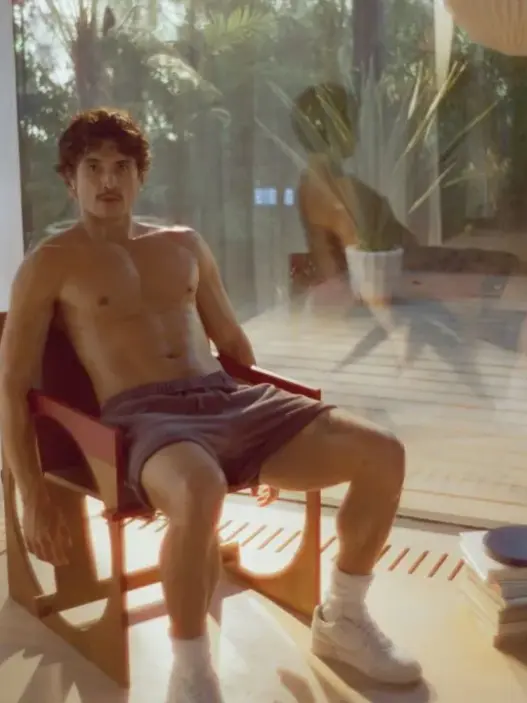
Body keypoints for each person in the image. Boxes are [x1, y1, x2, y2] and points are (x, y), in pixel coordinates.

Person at [0, 109, 422, 701]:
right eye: (92, 167)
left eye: (122, 166)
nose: (108, 180)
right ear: (71, 180)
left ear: (141, 176)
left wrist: (261, 439)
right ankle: (192, 671)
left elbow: (232, 344)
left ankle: (344, 618)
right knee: (200, 489)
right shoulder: (49, 262)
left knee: (383, 452)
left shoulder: (184, 244)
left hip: (227, 397)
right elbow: (12, 384)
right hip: (142, 416)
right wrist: (30, 496)